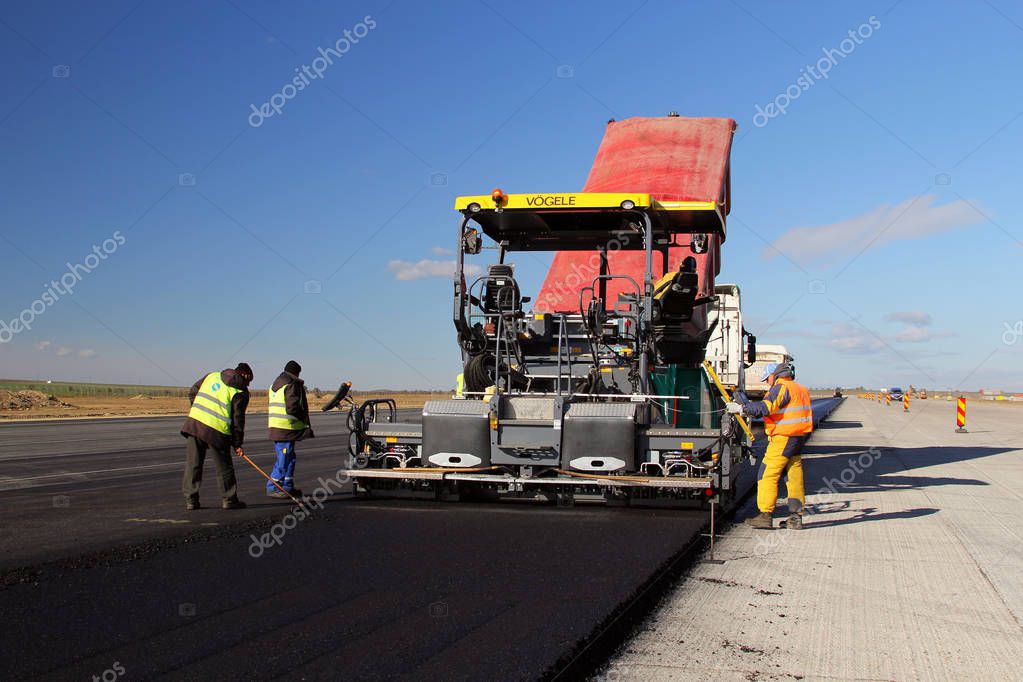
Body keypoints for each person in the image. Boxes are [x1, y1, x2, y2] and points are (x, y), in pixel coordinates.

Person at [727, 361, 812, 530]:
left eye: (768, 379)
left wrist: (742, 408)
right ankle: (796, 517)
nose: (767, 382)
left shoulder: (781, 387)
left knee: (766, 474)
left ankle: (765, 515)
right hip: (798, 438)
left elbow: (766, 407)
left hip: (783, 438)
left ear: (775, 375)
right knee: (793, 476)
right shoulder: (800, 389)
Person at [181, 363, 253, 510]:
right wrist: (237, 443)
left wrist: (198, 411)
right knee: (224, 467)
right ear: (244, 375)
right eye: (249, 380)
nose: (249, 384)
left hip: (195, 424)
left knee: (193, 464)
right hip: (217, 431)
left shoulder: (211, 376)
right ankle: (229, 499)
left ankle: (191, 500)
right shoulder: (240, 391)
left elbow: (192, 391)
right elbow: (238, 420)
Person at [266, 360, 314, 498]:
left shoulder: (275, 385)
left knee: (290, 457)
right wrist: (303, 417)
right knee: (284, 457)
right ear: (296, 372)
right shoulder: (291, 384)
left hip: (277, 426)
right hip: (285, 428)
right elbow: (292, 407)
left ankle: (287, 486)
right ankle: (273, 486)